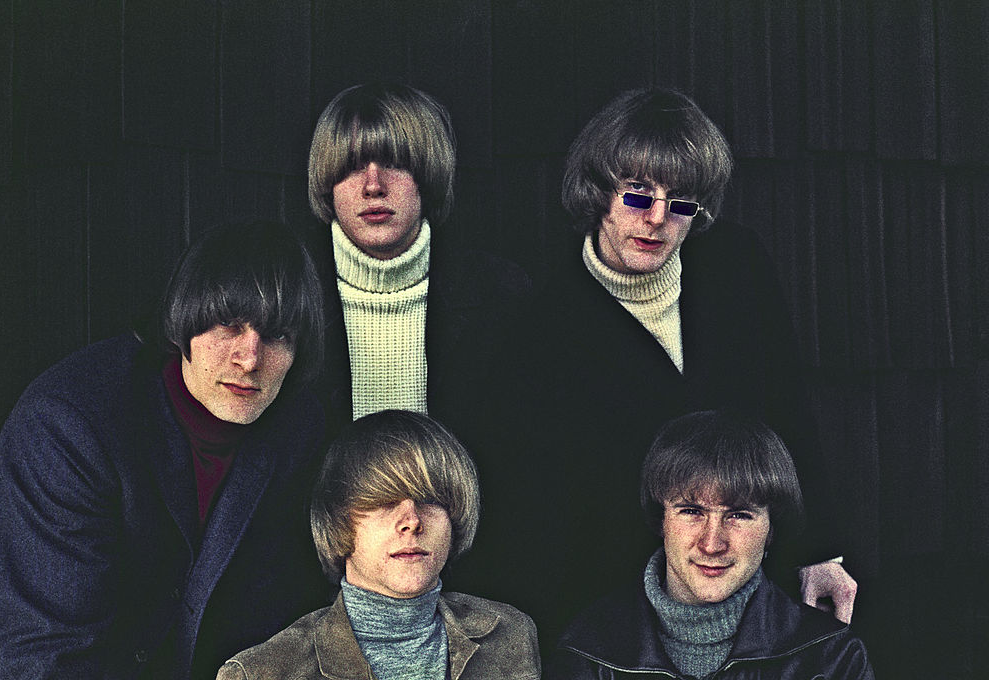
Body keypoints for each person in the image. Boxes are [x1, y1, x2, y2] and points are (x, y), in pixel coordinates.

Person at [471, 88, 855, 649]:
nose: (656, 219)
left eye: (681, 202)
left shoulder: (736, 267)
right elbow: (538, 509)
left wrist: (819, 549)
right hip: (616, 608)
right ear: (599, 193)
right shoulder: (541, 325)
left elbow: (788, 410)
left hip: (748, 580)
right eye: (637, 194)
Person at [0, 220, 328, 679]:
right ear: (183, 324)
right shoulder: (70, 424)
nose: (250, 358)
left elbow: (278, 600)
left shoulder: (297, 427)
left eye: (276, 335)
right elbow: (49, 654)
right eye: (228, 325)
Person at [216, 409, 541, 680]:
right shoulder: (259, 673)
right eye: (384, 501)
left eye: (430, 500)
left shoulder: (512, 634)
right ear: (337, 521)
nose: (412, 520)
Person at [549, 410, 874, 679]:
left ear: (771, 529)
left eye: (739, 515)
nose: (712, 543)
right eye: (691, 511)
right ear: (660, 521)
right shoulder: (587, 655)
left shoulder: (831, 660)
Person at [305, 82, 530, 446]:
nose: (373, 186)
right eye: (352, 166)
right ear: (328, 182)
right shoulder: (292, 294)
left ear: (426, 176)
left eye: (394, 163)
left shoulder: (499, 293)